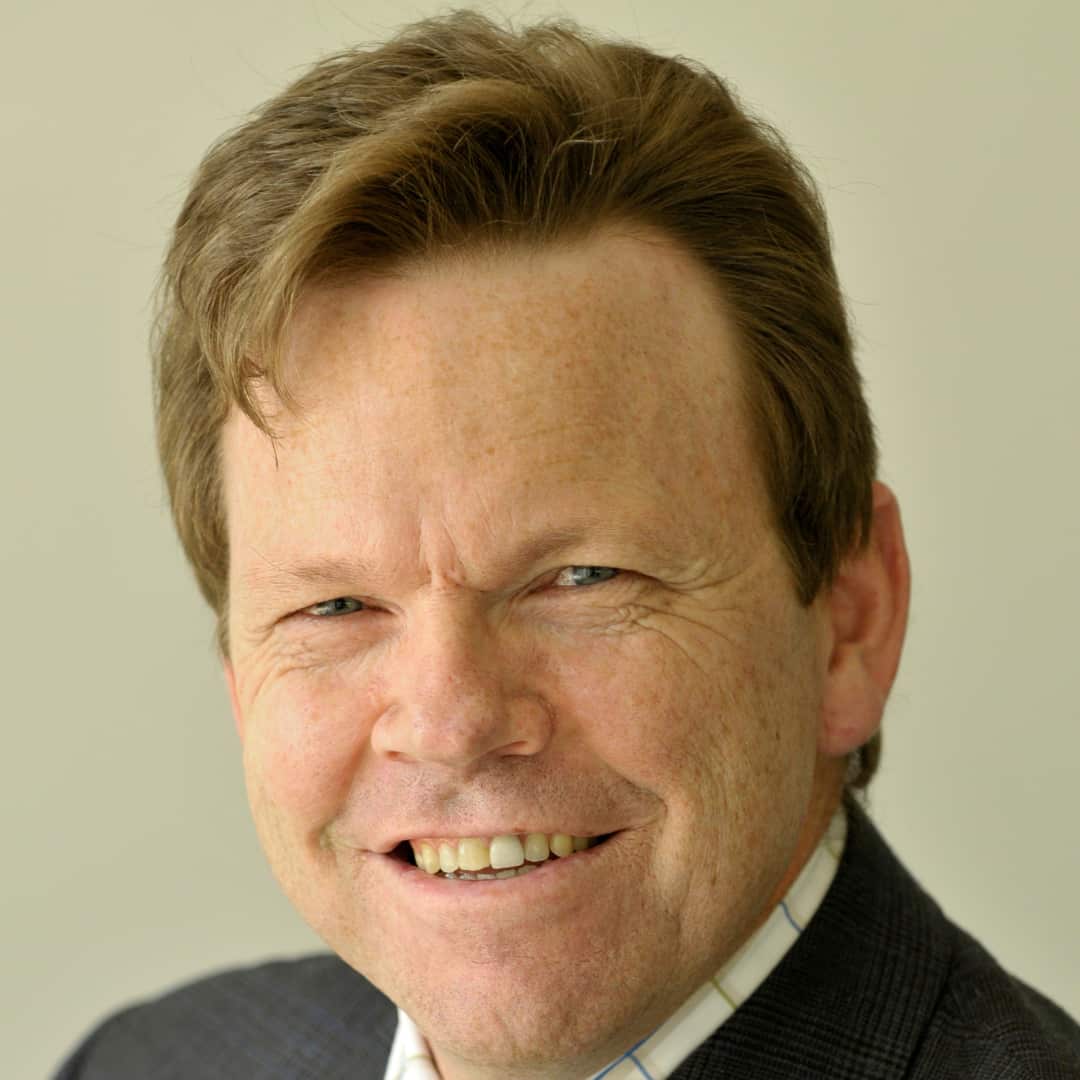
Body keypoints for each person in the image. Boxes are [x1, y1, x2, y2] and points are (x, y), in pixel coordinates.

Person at [55, 10, 1080, 1079]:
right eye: (335, 607)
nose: (451, 724)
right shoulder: (150, 1060)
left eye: (579, 578)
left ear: (851, 622)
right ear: (237, 672)